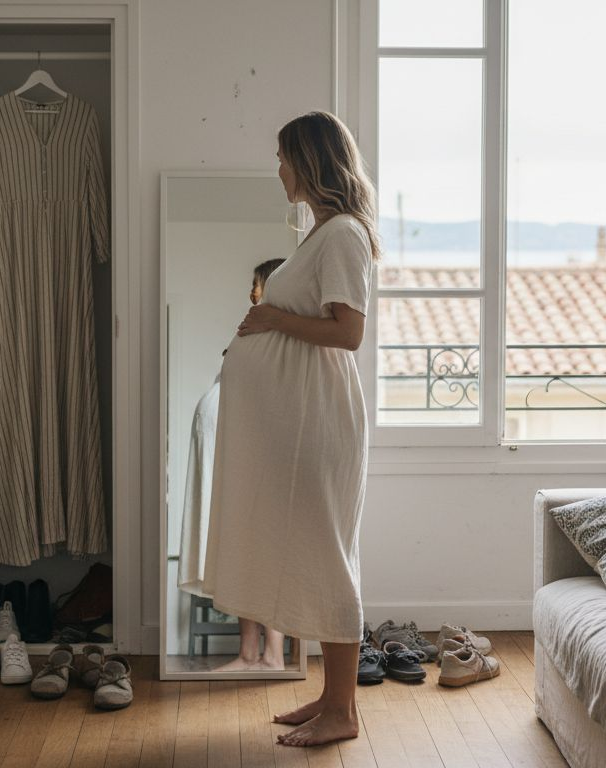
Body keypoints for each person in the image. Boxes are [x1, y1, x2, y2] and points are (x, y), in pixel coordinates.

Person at [201, 110, 380, 747]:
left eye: (283, 157)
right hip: (301, 422)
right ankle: (330, 699)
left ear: (309, 161)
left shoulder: (343, 236)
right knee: (311, 553)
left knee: (328, 558)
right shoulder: (321, 234)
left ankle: (343, 712)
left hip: (320, 423)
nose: (278, 169)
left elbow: (348, 333)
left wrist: (272, 317)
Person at [178, 258, 285, 597]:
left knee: (259, 543)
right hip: (221, 439)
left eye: (257, 283)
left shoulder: (278, 333)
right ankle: (251, 648)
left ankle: (270, 650)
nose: (251, 291)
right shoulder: (252, 327)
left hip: (244, 444)